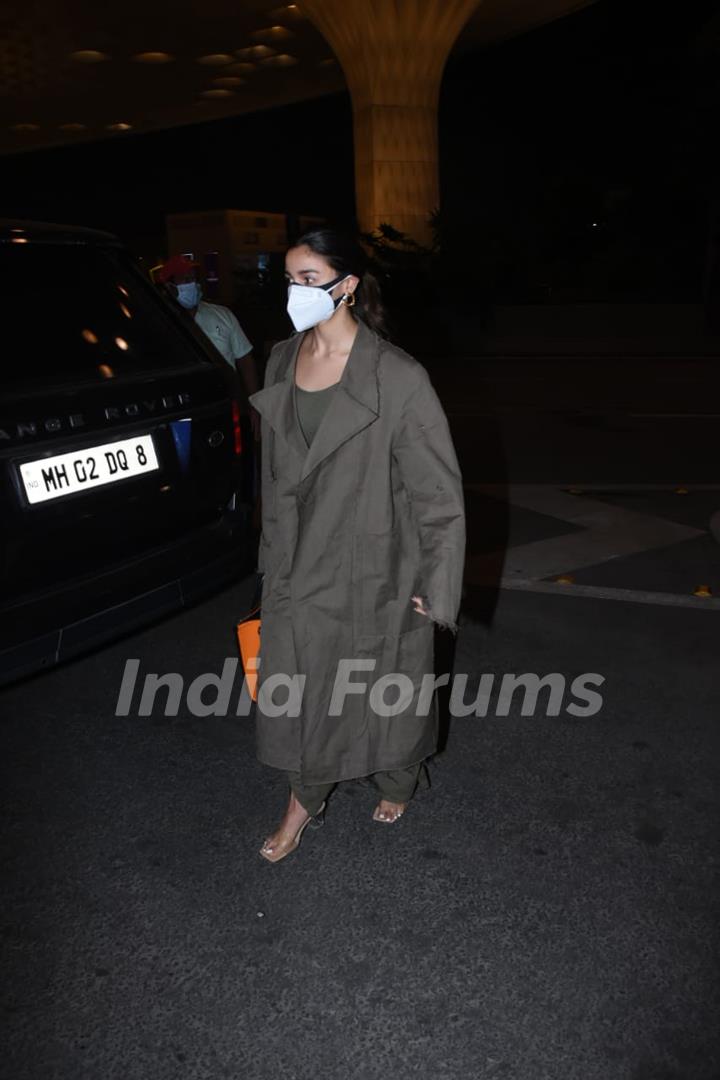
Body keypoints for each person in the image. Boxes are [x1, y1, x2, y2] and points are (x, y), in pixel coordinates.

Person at [248, 229, 466, 863]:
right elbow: (273, 473)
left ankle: (398, 777)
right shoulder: (282, 359)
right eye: (289, 279)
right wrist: (269, 561)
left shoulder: (397, 376)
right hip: (297, 562)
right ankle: (303, 798)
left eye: (309, 279)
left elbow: (438, 495)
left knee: (384, 687)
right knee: (307, 689)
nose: (296, 292)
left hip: (375, 564)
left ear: (346, 286)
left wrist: (438, 582)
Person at [158, 254, 260, 410]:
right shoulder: (161, 322)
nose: (193, 284)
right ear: (169, 287)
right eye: (186, 280)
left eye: (194, 279)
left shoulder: (222, 314)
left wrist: (255, 405)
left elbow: (245, 360)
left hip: (225, 404)